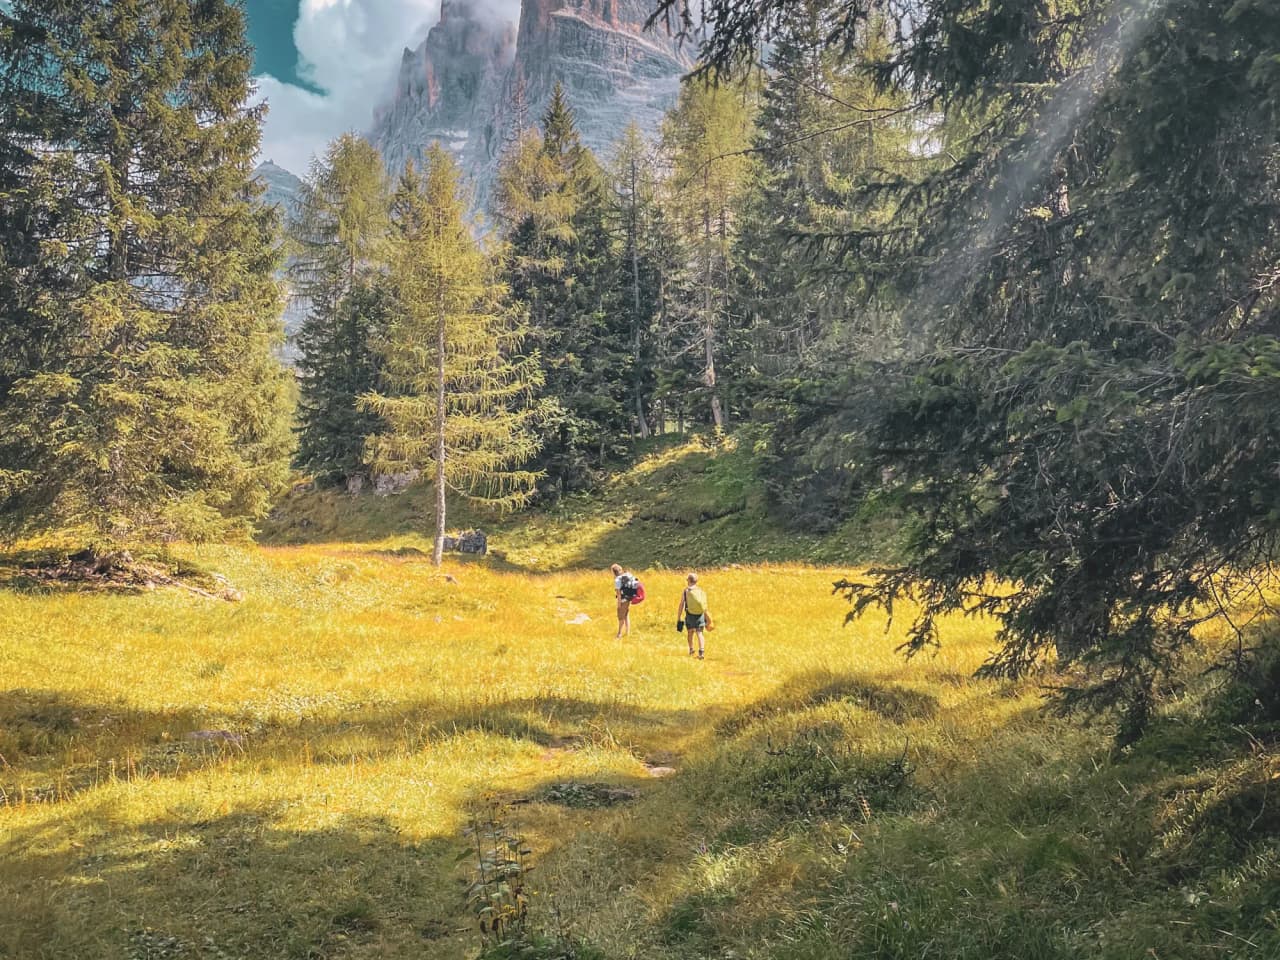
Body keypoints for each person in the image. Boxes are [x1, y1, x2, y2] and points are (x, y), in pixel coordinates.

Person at [676, 572, 712, 659]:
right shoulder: (700, 590)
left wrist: (679, 616)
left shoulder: (686, 591)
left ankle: (691, 649)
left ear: (688, 580)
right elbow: (704, 605)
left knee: (690, 632)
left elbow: (681, 604)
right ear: (696, 581)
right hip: (700, 614)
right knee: (699, 633)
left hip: (690, 614)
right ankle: (701, 652)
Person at [611, 563, 636, 640]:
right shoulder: (627, 575)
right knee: (626, 615)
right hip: (629, 598)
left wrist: (619, 604)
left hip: (623, 600)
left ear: (613, 572)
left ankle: (619, 634)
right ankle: (627, 632)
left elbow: (618, 594)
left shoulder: (617, 580)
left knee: (621, 617)